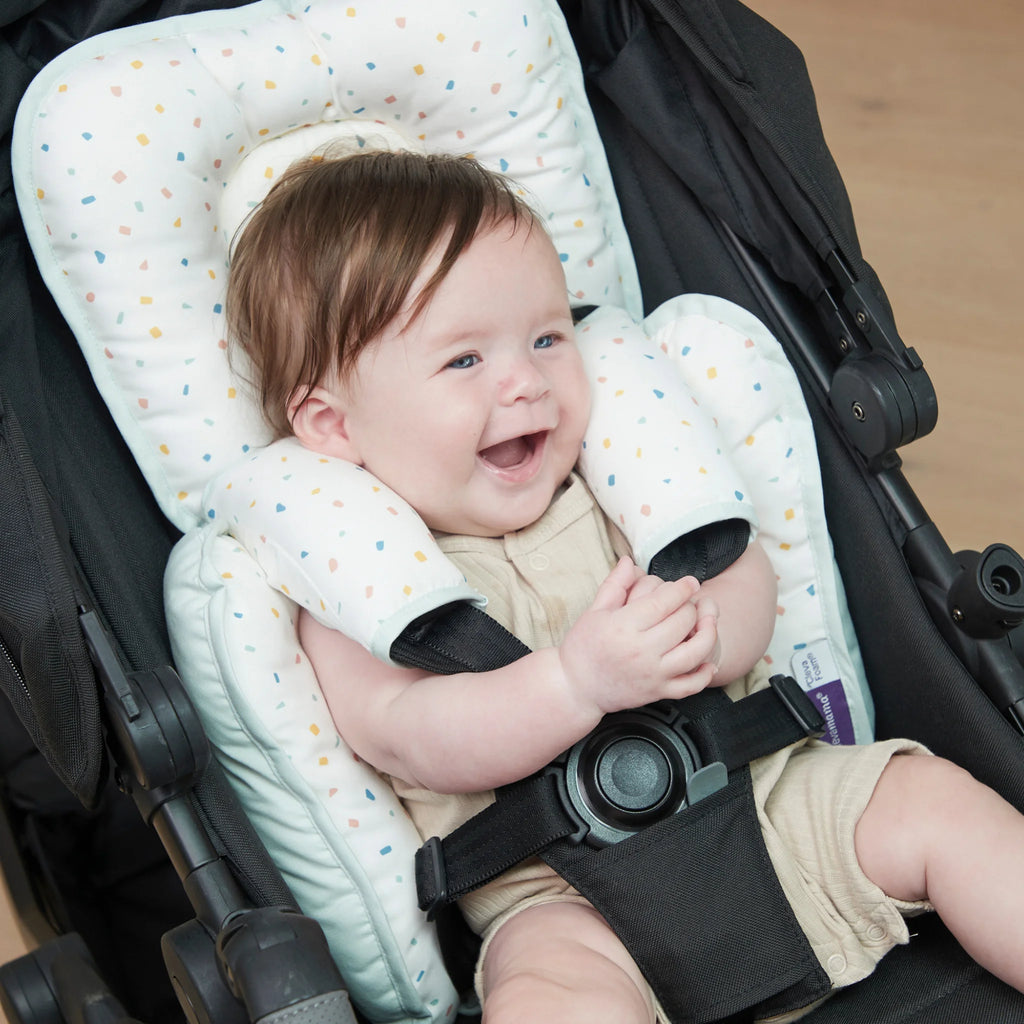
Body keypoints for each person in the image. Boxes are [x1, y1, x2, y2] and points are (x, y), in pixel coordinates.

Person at [226, 148, 1024, 1023]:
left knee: (933, 803)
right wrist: (573, 683)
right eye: (463, 361)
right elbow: (411, 737)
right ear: (333, 424)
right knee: (547, 995)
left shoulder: (614, 481)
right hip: (563, 898)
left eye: (546, 336)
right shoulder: (357, 588)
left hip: (774, 799)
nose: (526, 380)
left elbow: (740, 577)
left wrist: (708, 631)